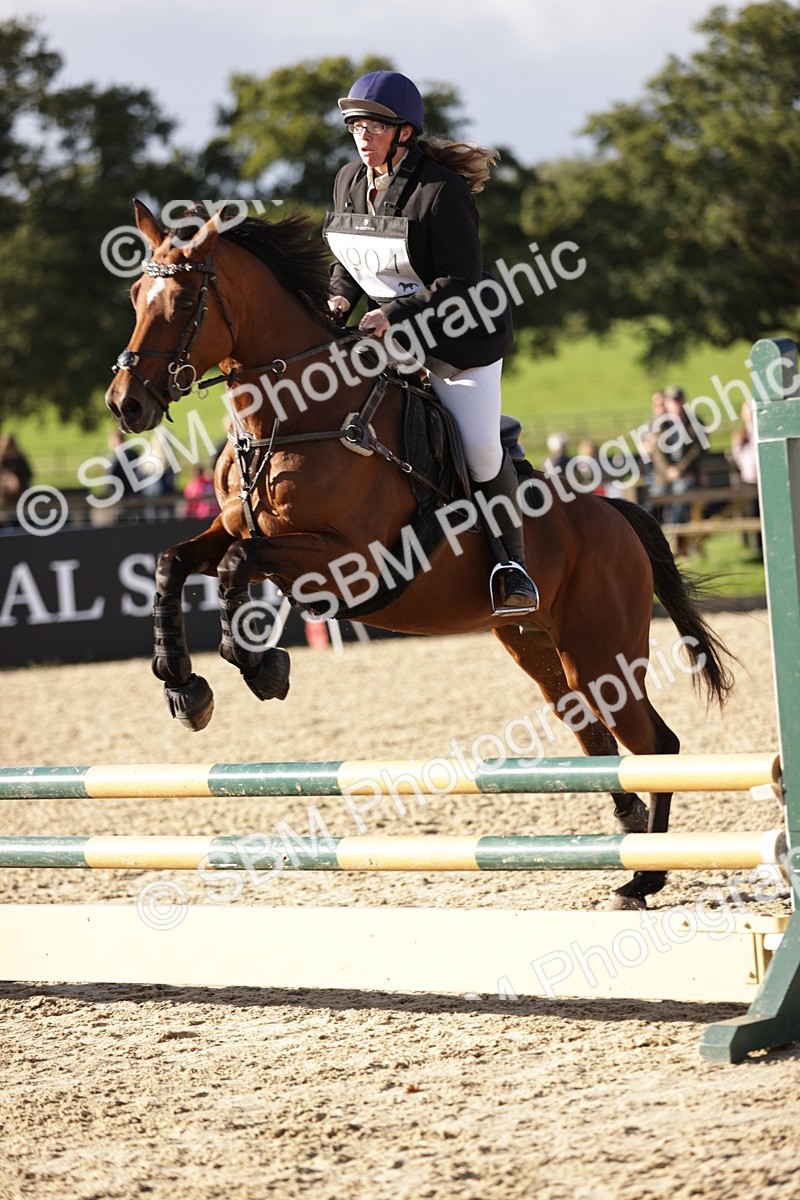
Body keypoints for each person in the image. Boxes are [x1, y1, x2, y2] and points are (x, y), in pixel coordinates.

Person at [324, 70, 538, 614]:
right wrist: (338, 301)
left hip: (459, 341)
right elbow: (352, 258)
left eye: (372, 126)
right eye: (354, 126)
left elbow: (460, 282)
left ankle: (511, 566)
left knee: (481, 450)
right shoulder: (348, 179)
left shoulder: (440, 191)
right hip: (392, 337)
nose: (361, 136)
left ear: (403, 132)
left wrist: (392, 312)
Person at [647, 386, 703, 524]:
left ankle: (676, 529)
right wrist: (668, 470)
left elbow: (697, 450)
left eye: (678, 400)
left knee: (681, 490)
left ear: (684, 401)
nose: (675, 404)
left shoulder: (695, 423)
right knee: (654, 495)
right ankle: (652, 532)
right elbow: (657, 453)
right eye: (672, 401)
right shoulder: (661, 424)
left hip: (687, 475)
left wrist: (679, 469)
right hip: (664, 476)